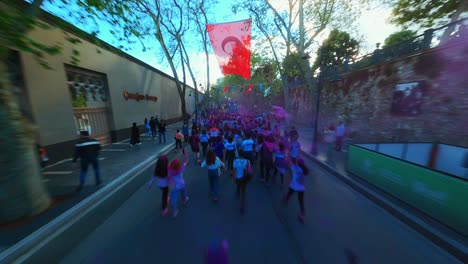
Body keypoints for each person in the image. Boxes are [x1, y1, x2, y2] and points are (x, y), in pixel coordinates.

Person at [283, 157, 309, 223]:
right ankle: (302, 215)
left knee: (290, 193)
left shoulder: (295, 168)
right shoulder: (304, 170)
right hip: (301, 187)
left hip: (294, 185)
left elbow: (289, 161)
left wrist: (287, 155)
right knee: (301, 201)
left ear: (297, 163)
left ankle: (286, 200)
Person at [168, 150, 189, 218]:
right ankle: (184, 200)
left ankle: (175, 211)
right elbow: (186, 161)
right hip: (181, 184)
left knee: (174, 198)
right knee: (183, 192)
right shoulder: (181, 168)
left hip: (173, 186)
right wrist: (185, 154)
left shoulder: (169, 169)